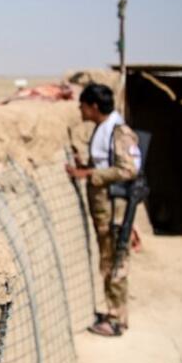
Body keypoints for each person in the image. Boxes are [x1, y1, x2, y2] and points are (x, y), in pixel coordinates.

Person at [65, 83, 141, 337]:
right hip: (104, 212)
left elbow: (128, 169)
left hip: (114, 212)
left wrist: (89, 174)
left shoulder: (120, 132)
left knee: (116, 263)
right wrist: (85, 164)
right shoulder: (103, 129)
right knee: (108, 262)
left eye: (83, 106)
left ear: (94, 106)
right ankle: (113, 313)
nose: (80, 110)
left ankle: (116, 320)